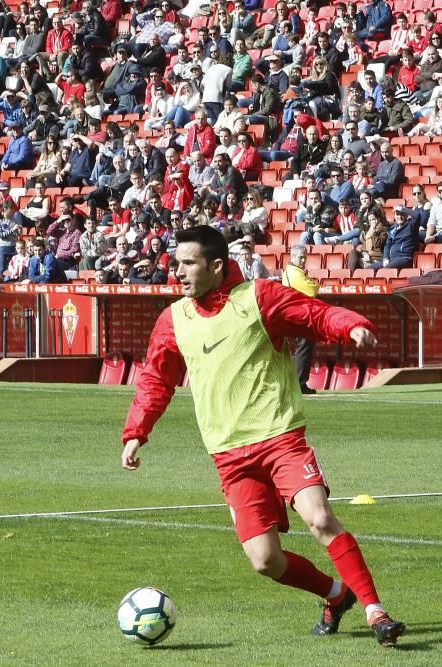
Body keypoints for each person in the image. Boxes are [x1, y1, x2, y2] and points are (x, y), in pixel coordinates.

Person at [120, 226, 405, 647]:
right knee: (265, 560)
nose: (177, 272)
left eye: (188, 263)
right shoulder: (173, 319)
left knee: (320, 517)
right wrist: (136, 432)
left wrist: (351, 326)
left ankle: (376, 613)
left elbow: (316, 314)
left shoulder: (260, 297)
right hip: (229, 456)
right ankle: (336, 594)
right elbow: (155, 380)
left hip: (280, 438)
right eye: (176, 262)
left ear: (216, 266)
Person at [281, 245, 320, 394]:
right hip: (299, 314)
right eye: (300, 257)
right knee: (304, 347)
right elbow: (312, 290)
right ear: (292, 257)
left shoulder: (295, 271)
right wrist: (315, 283)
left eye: (305, 257)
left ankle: (300, 383)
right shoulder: (293, 272)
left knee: (305, 347)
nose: (303, 260)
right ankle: (299, 383)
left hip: (300, 313)